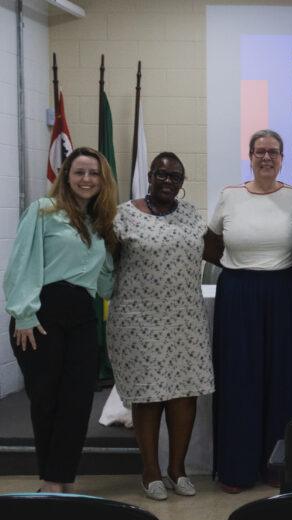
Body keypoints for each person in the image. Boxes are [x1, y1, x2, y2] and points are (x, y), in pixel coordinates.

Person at [4, 147, 116, 494]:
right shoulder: (43, 211)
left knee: (78, 402)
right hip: (41, 315)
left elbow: (104, 284)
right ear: (66, 176)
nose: (86, 179)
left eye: (93, 174)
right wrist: (23, 314)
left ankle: (64, 478)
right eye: (79, 172)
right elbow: (21, 263)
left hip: (83, 316)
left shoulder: (99, 223)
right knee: (47, 400)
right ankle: (50, 483)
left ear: (103, 180)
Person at [204, 129, 292, 493]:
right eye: (260, 151)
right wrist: (239, 265)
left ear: (282, 159)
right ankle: (237, 468)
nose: (267, 157)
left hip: (284, 292)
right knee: (238, 379)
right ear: (249, 156)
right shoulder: (230, 196)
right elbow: (210, 242)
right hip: (238, 292)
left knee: (283, 379)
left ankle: (277, 466)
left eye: (273, 152)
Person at [106, 152, 214, 500]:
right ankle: (150, 471)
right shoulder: (123, 215)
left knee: (185, 393)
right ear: (150, 176)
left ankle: (177, 469)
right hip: (139, 320)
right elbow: (105, 260)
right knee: (148, 396)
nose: (169, 181)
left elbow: (218, 250)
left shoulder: (191, 214)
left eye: (176, 177)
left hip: (185, 319)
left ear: (182, 183)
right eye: (162, 175)